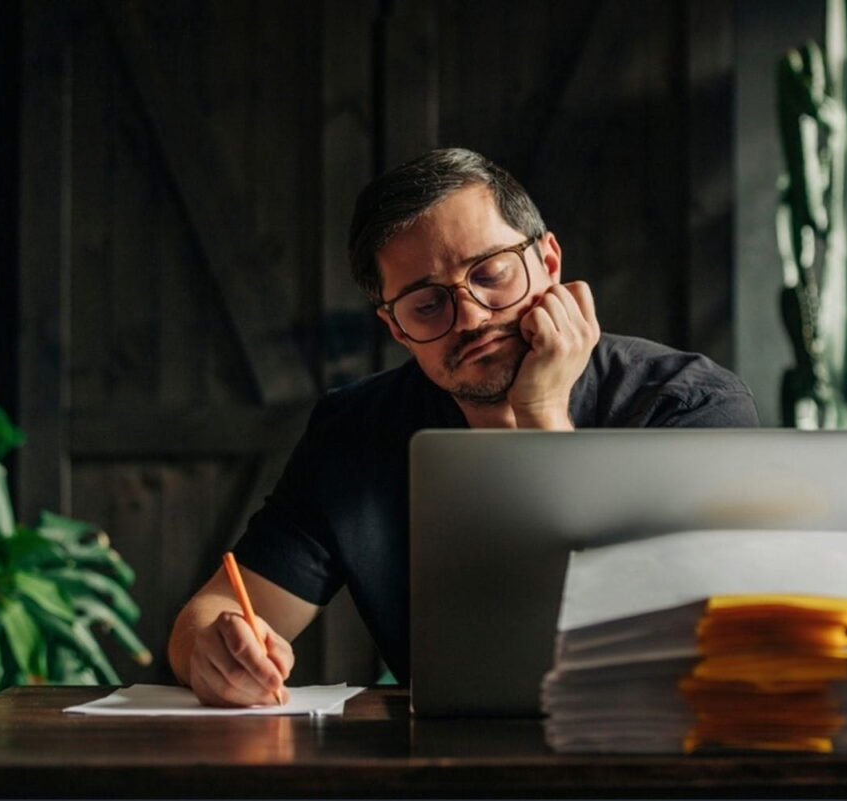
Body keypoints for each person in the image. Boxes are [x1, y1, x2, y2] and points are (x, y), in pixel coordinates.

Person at [167, 148, 760, 707]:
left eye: (492, 273)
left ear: (549, 262)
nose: (472, 317)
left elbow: (656, 645)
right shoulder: (354, 431)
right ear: (397, 329)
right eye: (427, 305)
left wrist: (544, 410)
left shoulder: (688, 405)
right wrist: (213, 651)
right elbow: (220, 607)